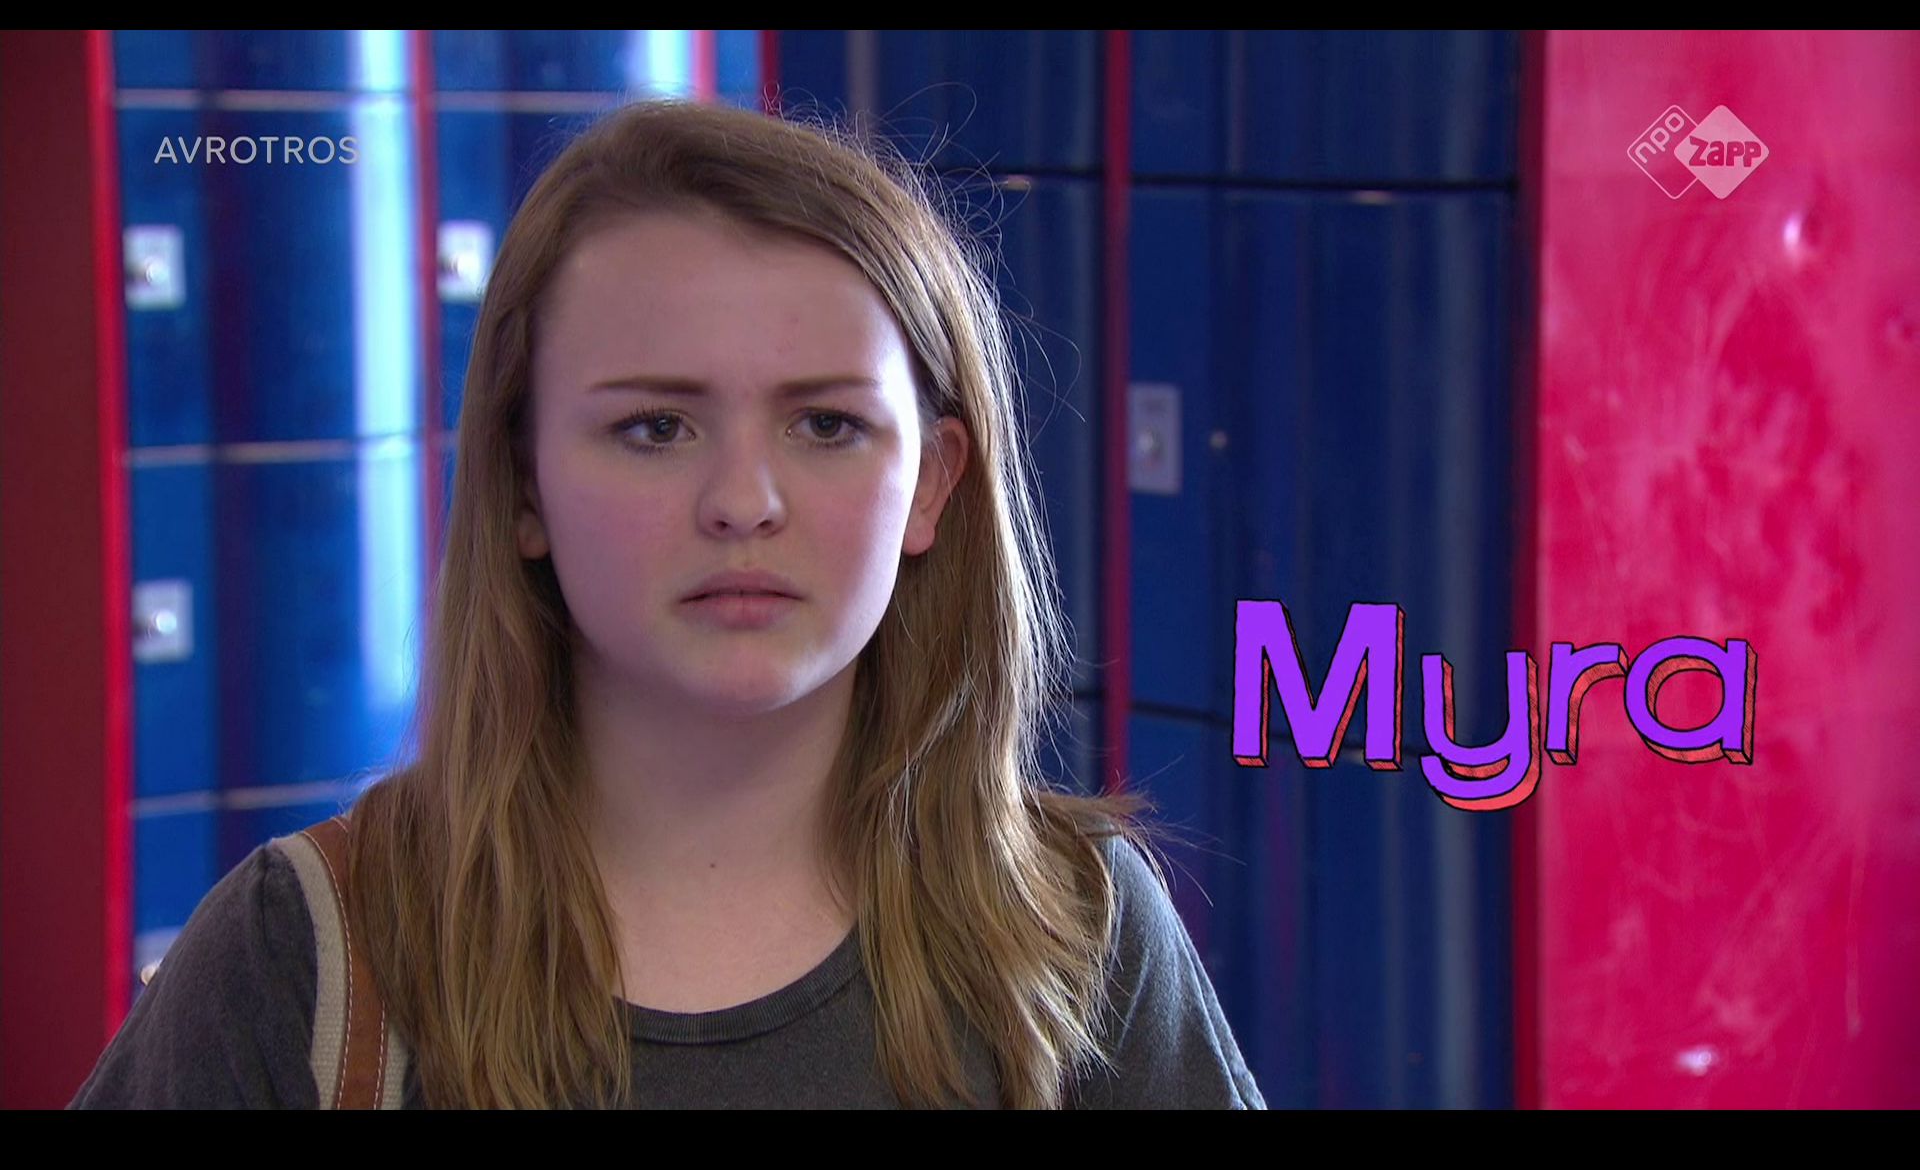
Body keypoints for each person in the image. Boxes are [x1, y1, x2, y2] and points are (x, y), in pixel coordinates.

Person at [70, 98, 1264, 1110]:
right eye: (654, 428)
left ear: (932, 485)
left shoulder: (1075, 938)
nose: (743, 502)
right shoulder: (306, 960)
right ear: (522, 484)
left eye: (826, 425)